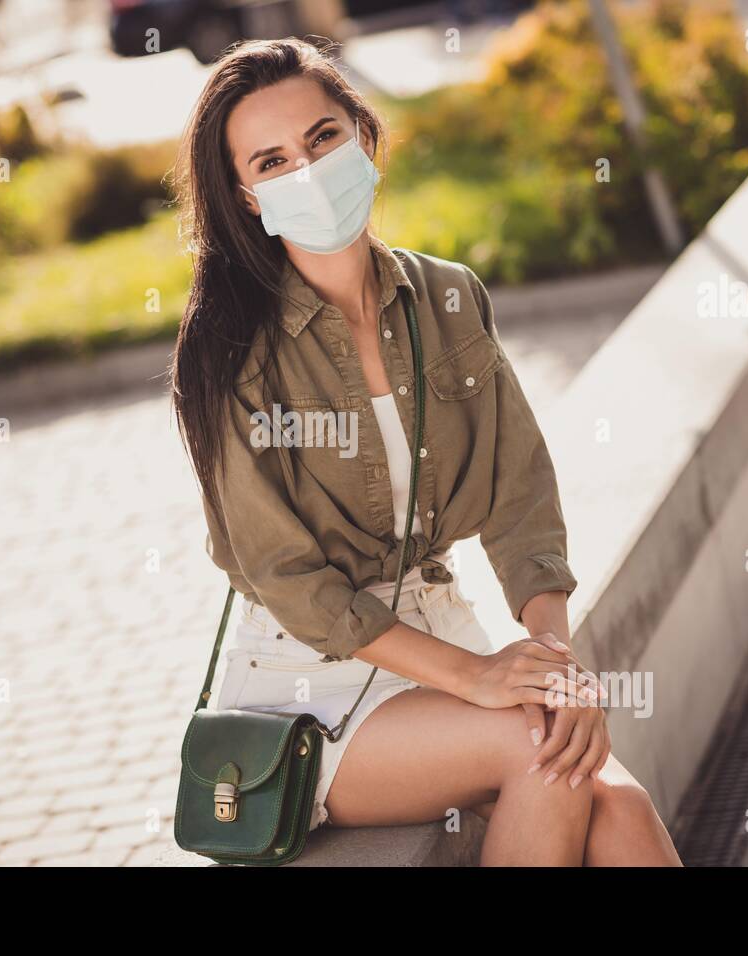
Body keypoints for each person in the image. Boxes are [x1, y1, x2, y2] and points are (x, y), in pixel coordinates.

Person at [169, 37, 680, 866]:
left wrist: (557, 665)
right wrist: (478, 680)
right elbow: (290, 580)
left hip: (443, 629)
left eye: (322, 137)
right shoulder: (231, 351)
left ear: (364, 134)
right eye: (272, 160)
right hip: (311, 683)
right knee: (541, 753)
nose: (307, 168)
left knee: (618, 803)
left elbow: (521, 500)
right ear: (247, 197)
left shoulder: (448, 297)